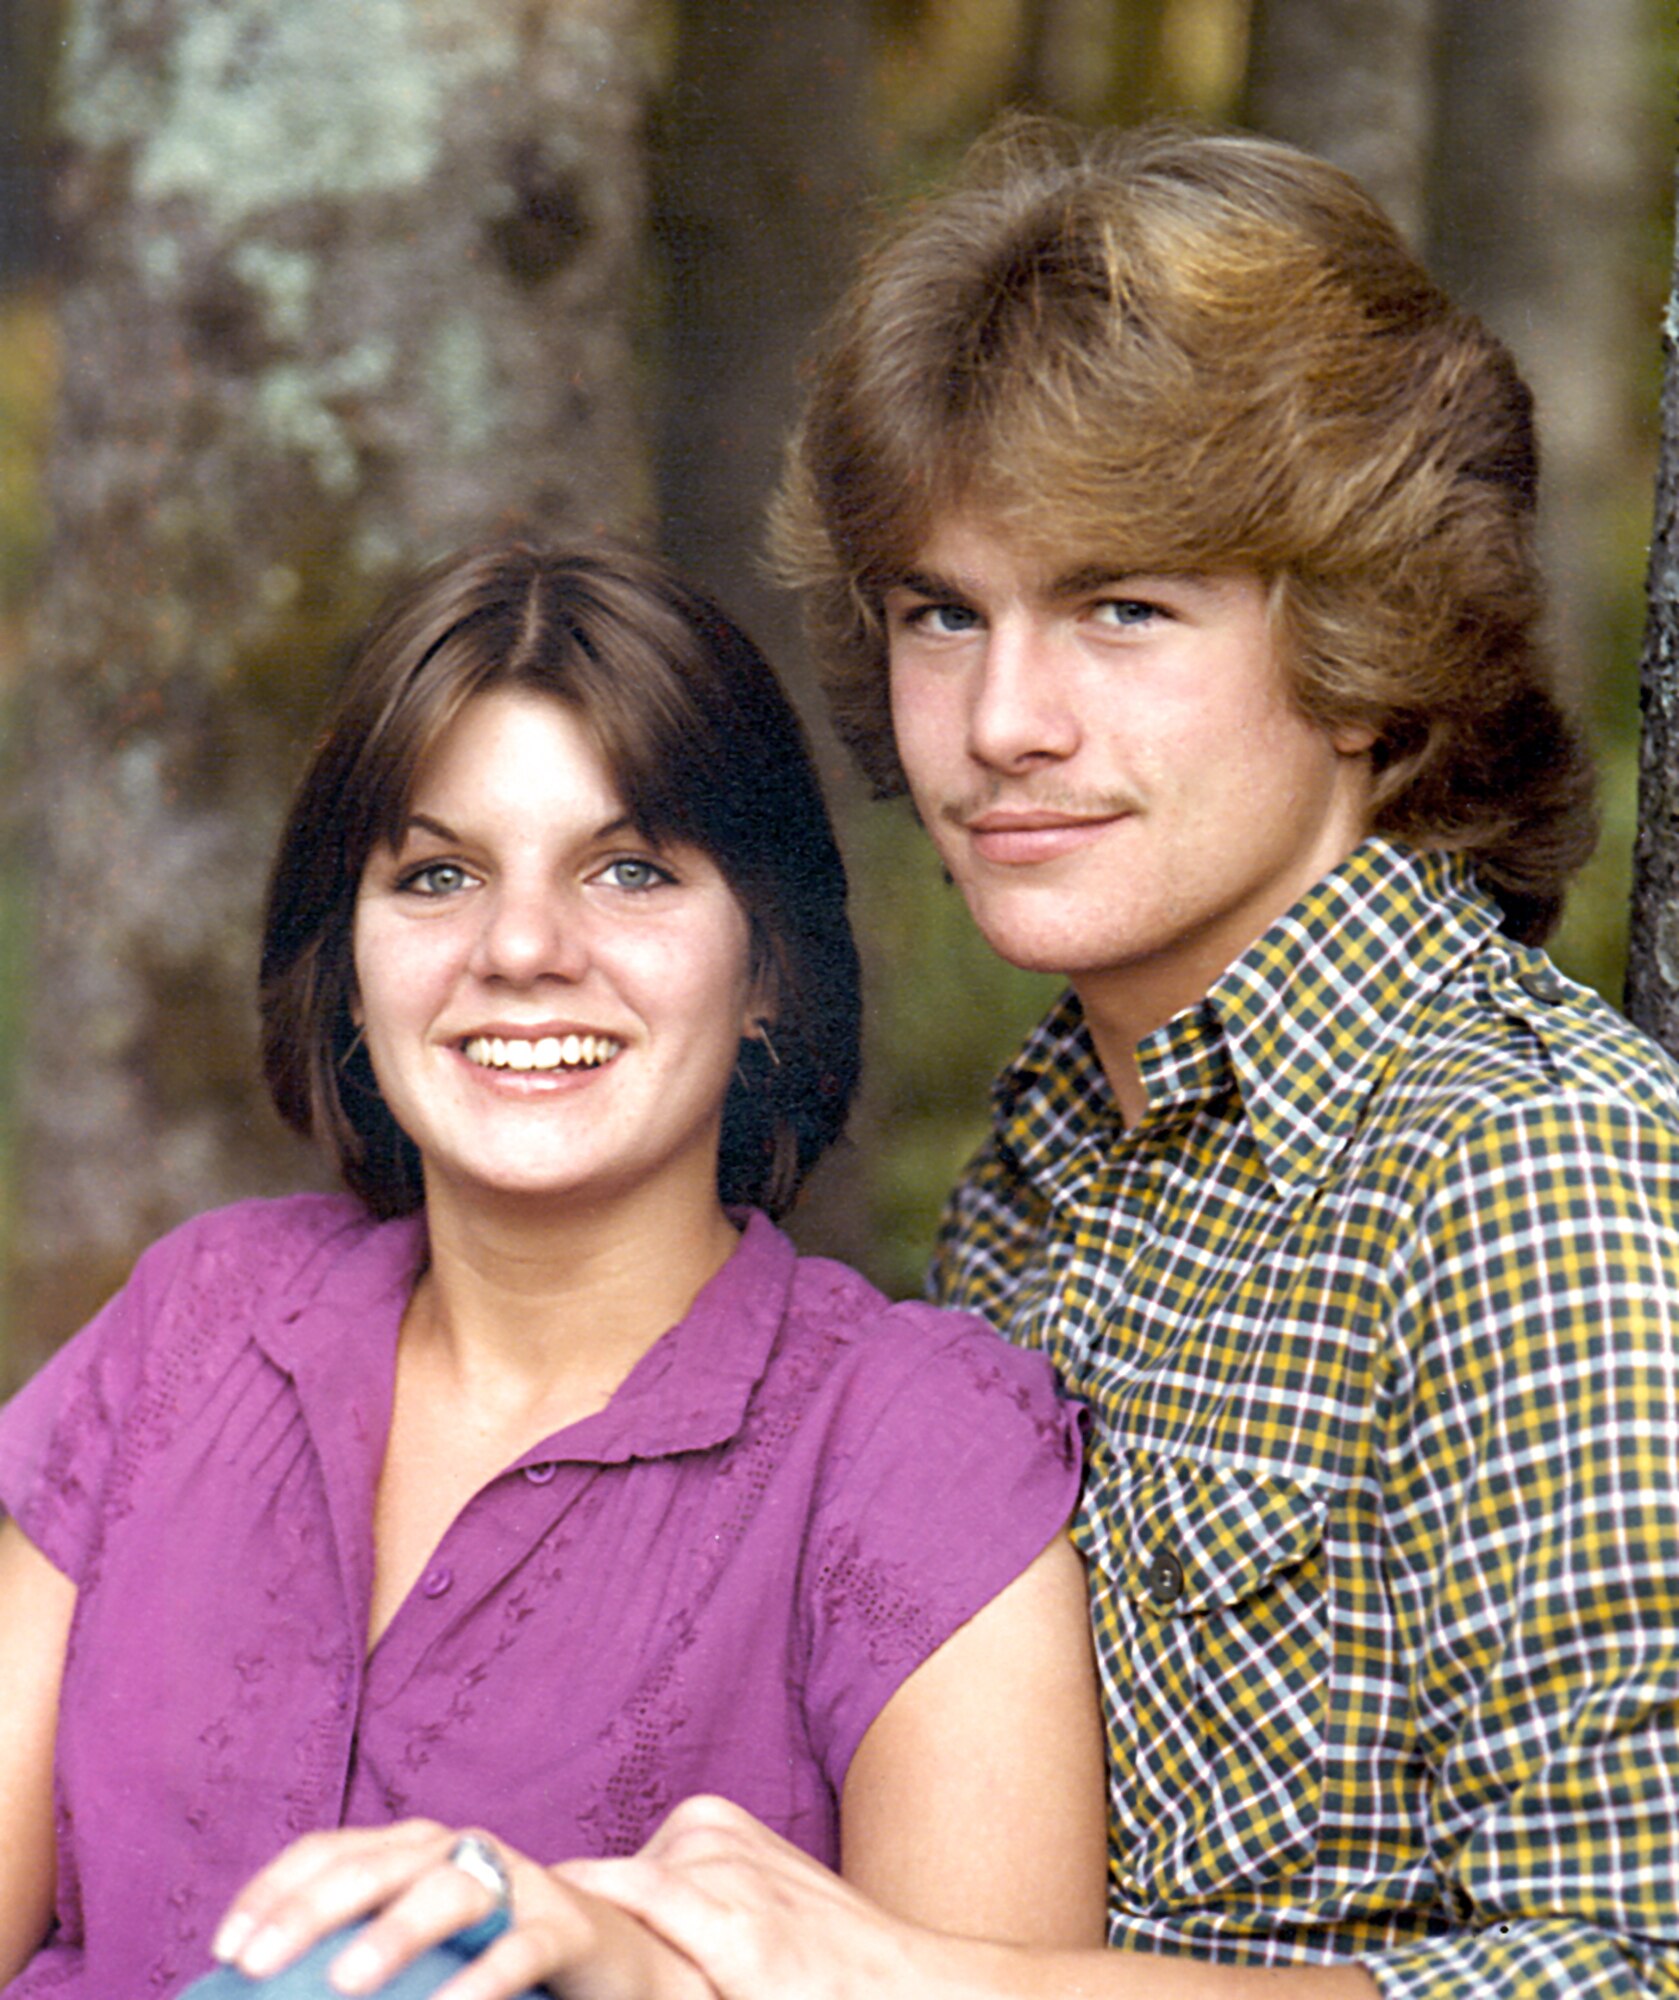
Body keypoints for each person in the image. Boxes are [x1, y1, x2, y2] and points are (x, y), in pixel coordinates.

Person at [543, 117, 1679, 1997]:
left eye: (1123, 607)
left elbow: (1640, 1961)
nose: (1002, 722)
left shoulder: (1520, 1176)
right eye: (943, 616)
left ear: (1365, 635)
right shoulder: (1048, 1174)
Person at [0, 541, 1106, 1999]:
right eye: (439, 874)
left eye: (631, 870)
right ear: (347, 962)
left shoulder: (915, 1453)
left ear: (768, 966)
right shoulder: (196, 1326)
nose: (521, 947)